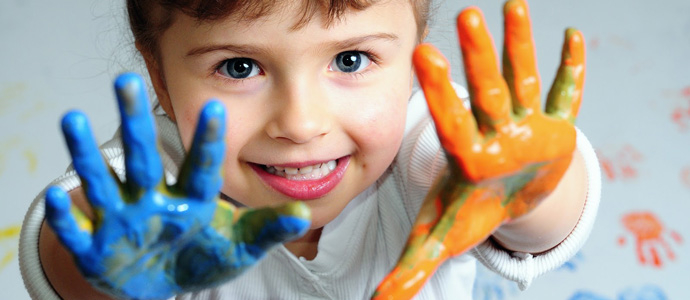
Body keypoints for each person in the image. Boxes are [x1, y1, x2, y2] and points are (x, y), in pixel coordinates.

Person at [19, 0, 601, 299]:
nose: (300, 123)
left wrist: (533, 188)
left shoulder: (435, 142)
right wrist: (103, 270)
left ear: (413, 58)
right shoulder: (164, 181)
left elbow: (543, 226)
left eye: (351, 60)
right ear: (161, 78)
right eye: (239, 66)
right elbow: (69, 237)